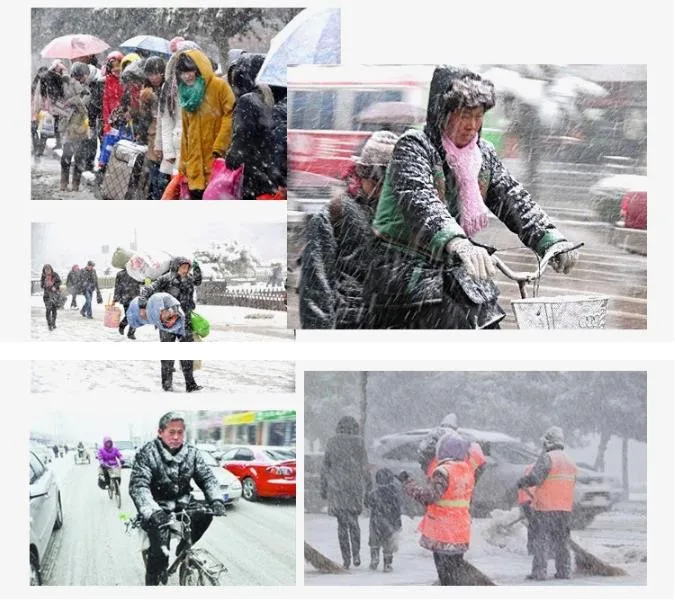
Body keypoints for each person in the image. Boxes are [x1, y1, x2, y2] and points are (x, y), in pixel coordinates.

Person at [363, 65, 579, 329]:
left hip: (446, 267)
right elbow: (420, 200)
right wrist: (457, 241)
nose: (472, 126)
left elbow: (510, 195)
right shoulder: (415, 146)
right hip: (403, 273)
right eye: (464, 115)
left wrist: (549, 239)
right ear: (442, 113)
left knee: (487, 321)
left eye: (478, 116)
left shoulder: (483, 153)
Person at [300, 131, 399, 329]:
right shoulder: (335, 213)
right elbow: (315, 287)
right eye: (374, 181)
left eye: (387, 185)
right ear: (361, 173)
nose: (380, 191)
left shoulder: (406, 217)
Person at [129, 411, 227, 586]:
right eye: (171, 432)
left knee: (205, 514)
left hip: (182, 501)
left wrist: (217, 500)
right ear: (160, 432)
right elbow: (139, 486)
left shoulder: (192, 453)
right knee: (159, 551)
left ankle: (184, 546)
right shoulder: (147, 453)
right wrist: (153, 512)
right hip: (156, 505)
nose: (176, 437)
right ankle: (152, 579)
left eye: (180, 432)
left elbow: (207, 478)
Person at [398, 432, 475, 586]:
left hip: (443, 530)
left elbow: (430, 496)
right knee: (455, 573)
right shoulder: (467, 470)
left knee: (445, 574)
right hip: (460, 530)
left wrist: (408, 484)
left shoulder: (443, 471)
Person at [517, 426, 577, 581]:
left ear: (548, 442)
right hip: (565, 508)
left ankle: (539, 572)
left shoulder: (547, 458)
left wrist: (523, 481)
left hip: (546, 507)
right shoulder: (570, 461)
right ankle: (564, 570)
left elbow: (536, 478)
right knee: (561, 541)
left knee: (541, 540)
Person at [175, 48, 235, 199]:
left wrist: (219, 146)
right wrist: (183, 164)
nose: (187, 76)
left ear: (199, 69)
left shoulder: (219, 86)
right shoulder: (185, 94)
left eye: (190, 71)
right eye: (183, 73)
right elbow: (186, 133)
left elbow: (230, 115)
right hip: (194, 166)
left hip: (216, 159)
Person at [137, 257, 203, 392]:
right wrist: (142, 306)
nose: (185, 270)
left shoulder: (189, 279)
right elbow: (146, 291)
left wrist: (197, 268)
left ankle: (190, 384)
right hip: (168, 322)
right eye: (183, 267)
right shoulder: (165, 279)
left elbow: (198, 281)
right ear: (175, 267)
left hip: (185, 320)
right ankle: (167, 385)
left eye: (187, 267)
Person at [320, 415, 372, 569]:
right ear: (353, 428)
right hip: (354, 489)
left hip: (337, 489)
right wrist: (368, 487)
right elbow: (365, 468)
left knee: (342, 524)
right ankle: (356, 554)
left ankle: (346, 559)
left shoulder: (331, 442)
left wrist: (324, 488)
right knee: (354, 522)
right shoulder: (359, 442)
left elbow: (325, 468)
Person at [155, 41, 201, 189]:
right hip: (177, 145)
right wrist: (166, 150)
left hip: (200, 145)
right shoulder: (169, 87)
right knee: (179, 189)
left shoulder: (207, 86)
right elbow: (165, 119)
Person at [418, 413, 486, 484]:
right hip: (450, 471)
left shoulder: (434, 433)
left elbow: (423, 450)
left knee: (434, 490)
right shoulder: (456, 437)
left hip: (435, 468)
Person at [137, 56, 167, 199]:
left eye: (157, 73)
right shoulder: (146, 92)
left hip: (167, 136)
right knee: (154, 175)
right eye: (150, 74)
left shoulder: (168, 88)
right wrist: (145, 103)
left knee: (164, 177)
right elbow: (143, 118)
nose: (154, 77)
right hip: (153, 137)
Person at [59, 62, 92, 191]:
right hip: (70, 124)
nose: (86, 78)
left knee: (79, 156)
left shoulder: (86, 89)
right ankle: (64, 182)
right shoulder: (67, 86)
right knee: (67, 154)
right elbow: (63, 103)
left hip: (81, 126)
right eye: (84, 75)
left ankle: (75, 184)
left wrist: (73, 101)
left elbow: (84, 104)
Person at [364, 467, 402, 572]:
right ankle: (387, 563)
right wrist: (398, 523)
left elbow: (367, 504)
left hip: (376, 521)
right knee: (388, 545)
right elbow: (397, 509)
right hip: (390, 522)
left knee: (374, 542)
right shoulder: (394, 493)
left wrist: (367, 493)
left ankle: (374, 558)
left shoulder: (374, 493)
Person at [113, 266, 142, 339]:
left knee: (136, 316)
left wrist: (147, 279)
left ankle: (131, 333)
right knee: (129, 315)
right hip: (125, 298)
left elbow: (142, 281)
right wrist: (116, 297)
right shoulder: (120, 274)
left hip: (135, 297)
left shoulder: (136, 273)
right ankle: (122, 325)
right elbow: (117, 286)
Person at [102, 51, 124, 135]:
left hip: (123, 116)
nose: (116, 69)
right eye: (113, 67)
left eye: (118, 66)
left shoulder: (125, 81)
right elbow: (106, 101)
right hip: (112, 118)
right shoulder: (108, 82)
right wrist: (107, 121)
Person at [518, 463, 537, 555]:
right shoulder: (543, 467)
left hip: (527, 499)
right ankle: (534, 549)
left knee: (533, 525)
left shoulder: (532, 466)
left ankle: (532, 549)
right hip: (531, 499)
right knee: (536, 525)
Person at [40, 264, 62, 331]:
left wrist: (54, 286)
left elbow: (59, 282)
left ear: (51, 269)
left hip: (55, 295)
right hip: (47, 295)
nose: (47, 271)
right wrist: (45, 284)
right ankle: (49, 324)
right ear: (44, 270)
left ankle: (53, 323)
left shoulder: (55, 274)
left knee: (54, 310)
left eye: (48, 270)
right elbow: (41, 285)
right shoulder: (43, 276)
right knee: (48, 310)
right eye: (46, 270)